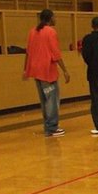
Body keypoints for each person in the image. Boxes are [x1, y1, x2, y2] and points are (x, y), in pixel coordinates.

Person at [22, 8, 70, 137]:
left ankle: (47, 125)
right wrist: (65, 70)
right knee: (51, 100)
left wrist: (25, 69)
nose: (56, 19)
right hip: (47, 72)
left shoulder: (32, 32)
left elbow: (28, 52)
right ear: (50, 18)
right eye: (54, 17)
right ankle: (52, 127)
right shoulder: (50, 32)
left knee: (44, 100)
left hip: (36, 71)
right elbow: (56, 54)